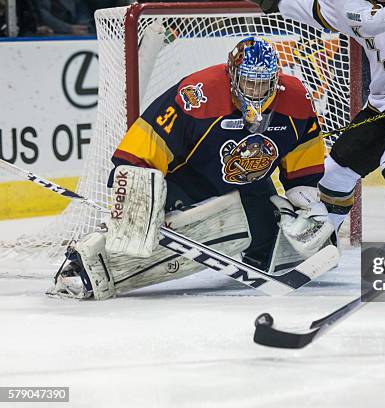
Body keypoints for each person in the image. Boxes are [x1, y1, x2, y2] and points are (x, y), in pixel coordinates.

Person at [47, 37, 335, 300]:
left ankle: (260, 243)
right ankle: (86, 266)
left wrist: (309, 206)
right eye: (249, 83)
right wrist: (137, 202)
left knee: (290, 244)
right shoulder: (197, 95)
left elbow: (303, 163)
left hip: (246, 186)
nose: (256, 92)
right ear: (232, 76)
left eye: (263, 83)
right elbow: (141, 148)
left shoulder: (295, 100)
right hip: (185, 182)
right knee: (157, 234)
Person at [251, 0, 385, 254]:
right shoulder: (351, 5)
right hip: (382, 105)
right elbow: (337, 14)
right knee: (333, 173)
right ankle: (319, 245)